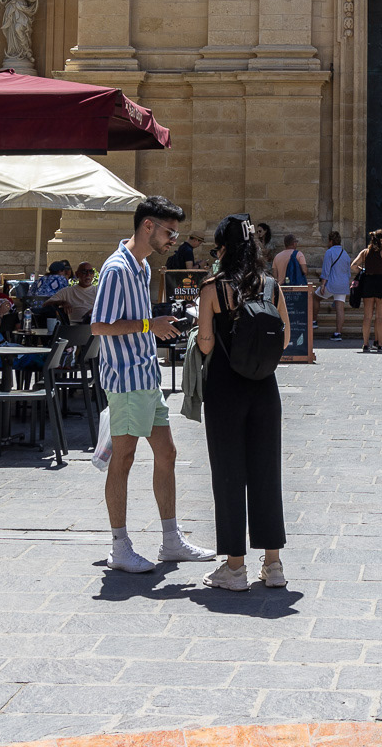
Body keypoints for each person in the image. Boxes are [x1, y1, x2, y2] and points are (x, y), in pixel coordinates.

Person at [91, 194, 212, 575]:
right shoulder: (117, 269)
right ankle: (119, 546)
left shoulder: (141, 266)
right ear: (148, 226)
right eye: (170, 232)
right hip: (126, 380)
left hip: (146, 376)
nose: (174, 239)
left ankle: (171, 540)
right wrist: (148, 326)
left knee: (167, 453)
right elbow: (99, 326)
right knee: (123, 460)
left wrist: (158, 324)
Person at [195, 213, 289, 591]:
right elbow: (283, 339)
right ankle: (274, 564)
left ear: (222, 248)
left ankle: (234, 568)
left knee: (229, 474)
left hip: (225, 387)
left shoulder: (213, 288)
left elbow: (205, 342)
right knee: (267, 472)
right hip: (265, 387)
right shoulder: (270, 285)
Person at [350, 229, 382, 352]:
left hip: (368, 282)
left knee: (367, 316)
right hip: (381, 282)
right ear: (381, 240)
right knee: (380, 316)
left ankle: (365, 343)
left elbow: (353, 266)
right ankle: (379, 344)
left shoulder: (365, 252)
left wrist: (362, 272)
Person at [317, 231, 351, 338]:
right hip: (343, 284)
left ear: (331, 241)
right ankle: (338, 333)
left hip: (331, 284)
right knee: (340, 309)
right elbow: (348, 272)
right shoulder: (345, 253)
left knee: (314, 298)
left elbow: (326, 270)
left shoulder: (329, 252)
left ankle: (313, 321)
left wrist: (323, 284)